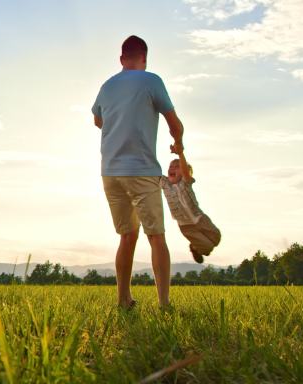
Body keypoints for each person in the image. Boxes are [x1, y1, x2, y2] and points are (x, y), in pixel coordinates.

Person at [91, 35, 184, 309]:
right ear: (144, 58)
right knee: (156, 236)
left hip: (110, 171)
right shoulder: (151, 80)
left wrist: (118, 126)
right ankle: (164, 304)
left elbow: (98, 120)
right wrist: (178, 144)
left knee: (127, 236)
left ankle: (123, 300)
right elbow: (174, 123)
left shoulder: (107, 86)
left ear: (121, 59)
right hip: (141, 169)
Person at [161, 144, 221, 264]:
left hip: (199, 218)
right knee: (207, 248)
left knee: (216, 237)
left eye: (177, 167)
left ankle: (198, 247)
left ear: (185, 172)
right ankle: (195, 248)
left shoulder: (185, 182)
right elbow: (153, 173)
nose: (172, 168)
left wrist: (180, 154)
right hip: (185, 225)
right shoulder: (165, 184)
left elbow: (184, 170)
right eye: (170, 167)